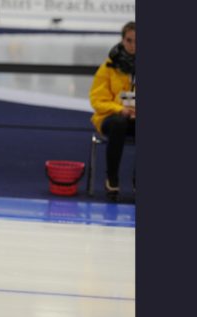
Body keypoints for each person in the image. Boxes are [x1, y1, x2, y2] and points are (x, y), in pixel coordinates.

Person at [89, 21, 136, 201]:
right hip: (110, 118)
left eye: (137, 41)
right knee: (119, 123)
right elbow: (97, 100)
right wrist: (120, 109)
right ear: (123, 40)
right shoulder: (108, 66)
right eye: (129, 40)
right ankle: (112, 179)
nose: (133, 46)